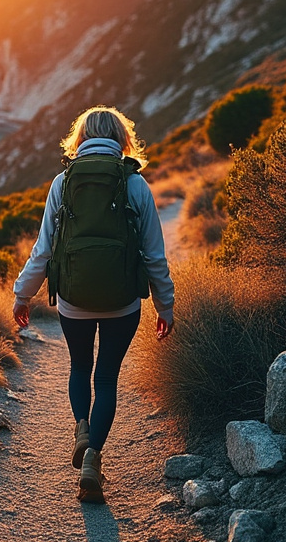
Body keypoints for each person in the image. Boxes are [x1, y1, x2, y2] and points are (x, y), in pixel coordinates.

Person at [11, 105, 174, 503]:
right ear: (123, 139)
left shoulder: (63, 182)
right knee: (107, 378)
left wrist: (22, 293)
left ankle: (81, 428)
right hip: (122, 303)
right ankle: (93, 460)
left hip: (73, 301)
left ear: (80, 139)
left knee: (80, 367)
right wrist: (164, 305)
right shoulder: (135, 184)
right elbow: (154, 255)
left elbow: (43, 251)